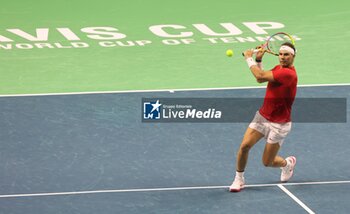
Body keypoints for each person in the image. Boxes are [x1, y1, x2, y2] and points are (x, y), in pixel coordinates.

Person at [229, 42, 298, 192]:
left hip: (279, 125)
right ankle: (239, 179)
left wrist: (249, 58)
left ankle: (287, 164)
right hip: (262, 117)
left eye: (286, 55)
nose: (282, 57)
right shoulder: (278, 69)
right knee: (244, 146)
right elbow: (260, 79)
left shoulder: (288, 74)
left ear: (293, 56)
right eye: (280, 54)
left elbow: (259, 75)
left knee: (268, 162)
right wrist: (259, 60)